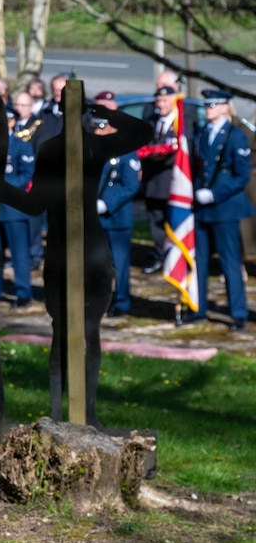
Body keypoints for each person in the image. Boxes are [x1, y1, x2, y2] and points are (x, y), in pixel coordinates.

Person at [27, 99, 153, 420]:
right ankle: (65, 411)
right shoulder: (63, 147)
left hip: (85, 248)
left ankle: (82, 411)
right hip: (69, 247)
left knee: (82, 331)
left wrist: (99, 108)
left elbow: (142, 131)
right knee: (72, 332)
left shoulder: (84, 147)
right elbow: (35, 204)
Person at [189, 87, 251, 330]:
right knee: (200, 261)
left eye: (213, 105)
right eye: (207, 105)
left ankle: (238, 314)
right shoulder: (203, 133)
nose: (208, 109)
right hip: (202, 208)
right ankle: (200, 308)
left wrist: (214, 194)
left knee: (229, 262)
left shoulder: (236, 136)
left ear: (225, 107)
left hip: (225, 208)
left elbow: (242, 175)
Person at [93, 90, 143, 318]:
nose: (97, 130)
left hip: (116, 217)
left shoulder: (125, 149)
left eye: (102, 127)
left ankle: (121, 302)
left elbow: (130, 185)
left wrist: (106, 203)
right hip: (94, 217)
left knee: (119, 264)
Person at [0, 96, 41, 307]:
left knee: (20, 255)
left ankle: (23, 293)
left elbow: (27, 175)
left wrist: (2, 184)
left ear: (13, 122)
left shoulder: (21, 146)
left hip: (14, 208)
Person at [139, 83, 184, 265]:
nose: (161, 105)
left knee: (173, 222)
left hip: (171, 182)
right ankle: (160, 256)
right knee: (155, 221)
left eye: (165, 100)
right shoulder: (153, 121)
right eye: (158, 101)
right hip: (152, 181)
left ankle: (175, 259)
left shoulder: (180, 124)